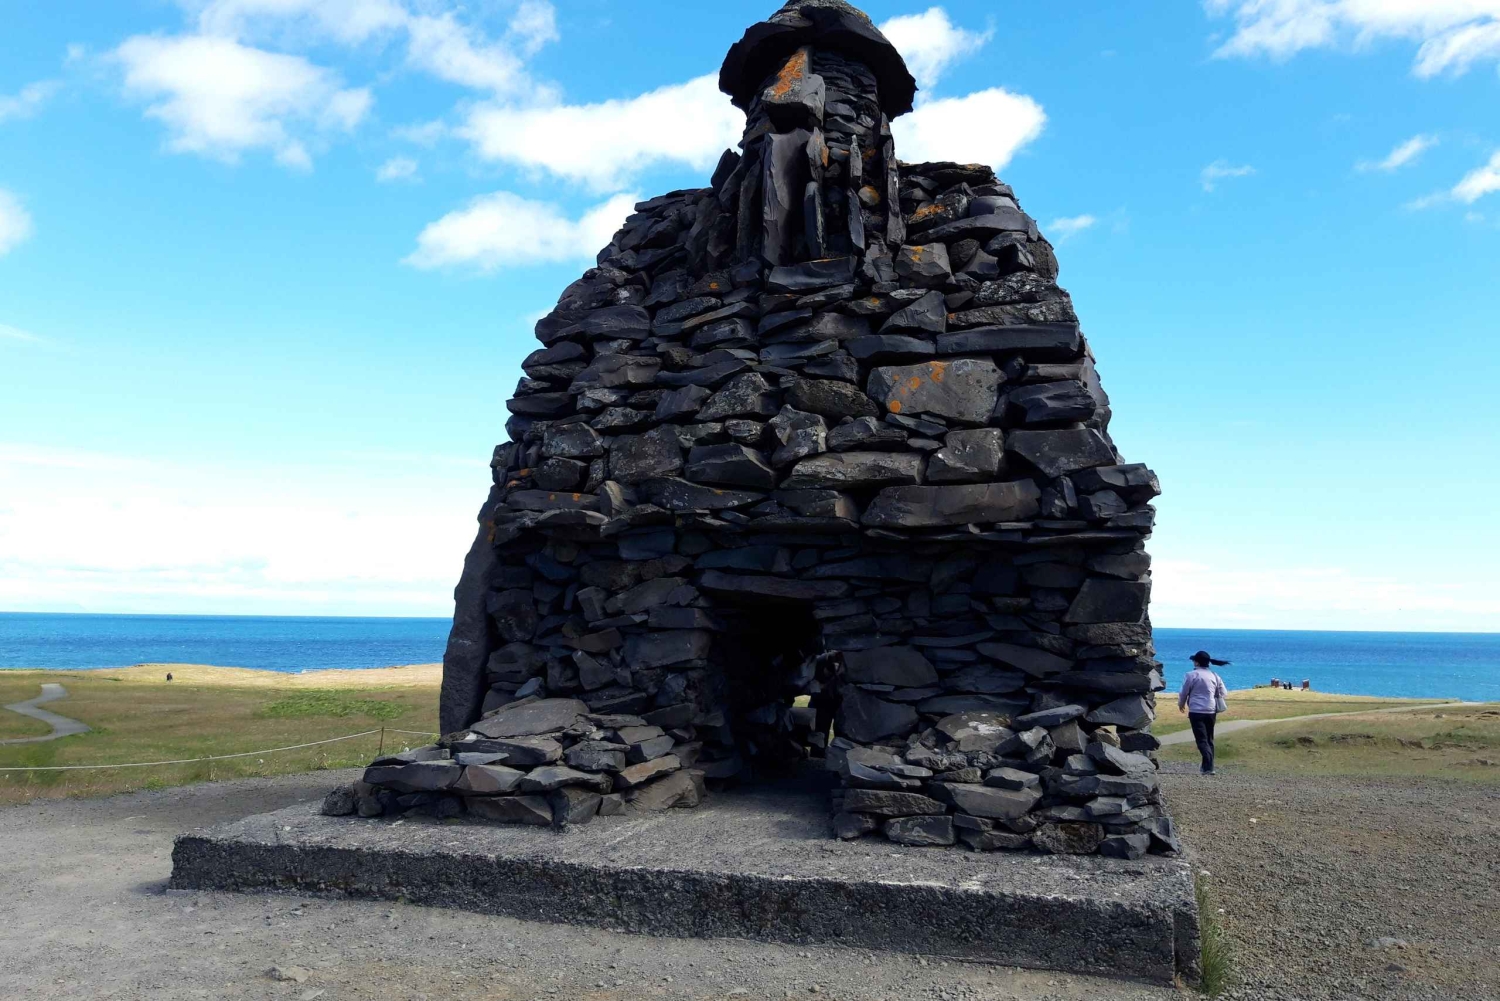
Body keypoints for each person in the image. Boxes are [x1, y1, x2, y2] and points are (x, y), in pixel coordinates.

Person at [1178, 651, 1230, 774]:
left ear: (1196, 662)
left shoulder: (1191, 675)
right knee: (1209, 739)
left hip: (1196, 710)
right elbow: (1224, 693)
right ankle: (1207, 767)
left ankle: (1208, 767)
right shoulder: (1215, 675)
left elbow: (1184, 692)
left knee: (1201, 739)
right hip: (1211, 710)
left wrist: (1181, 704)